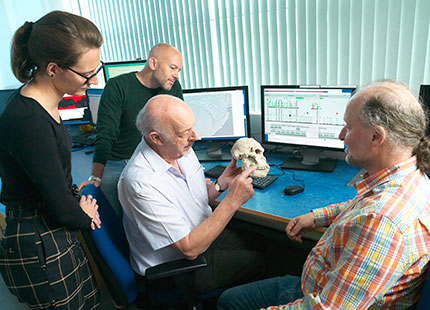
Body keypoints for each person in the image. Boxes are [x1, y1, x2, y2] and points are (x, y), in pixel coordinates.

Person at [217, 80, 430, 310]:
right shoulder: (408, 178)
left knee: (230, 303)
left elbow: (327, 309)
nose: (340, 135)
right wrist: (317, 216)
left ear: (376, 137)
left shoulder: (383, 222)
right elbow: (362, 205)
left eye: (347, 127)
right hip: (325, 285)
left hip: (319, 297)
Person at [0, 11, 103, 309]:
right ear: (53, 69)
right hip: (39, 242)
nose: (94, 80)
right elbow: (65, 213)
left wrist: (78, 205)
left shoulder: (45, 105)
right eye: (86, 73)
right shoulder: (29, 121)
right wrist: (81, 211)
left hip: (53, 231)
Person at [118, 94, 265, 297]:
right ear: (156, 138)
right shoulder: (141, 182)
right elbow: (189, 249)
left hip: (201, 234)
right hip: (176, 267)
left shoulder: (179, 150)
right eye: (185, 132)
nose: (196, 137)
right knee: (260, 262)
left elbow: (194, 199)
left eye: (192, 128)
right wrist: (232, 201)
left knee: (260, 242)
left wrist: (221, 184)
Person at [80, 43, 184, 216]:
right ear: (153, 63)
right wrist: (96, 177)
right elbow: (106, 135)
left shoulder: (173, 88)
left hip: (156, 161)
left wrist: (188, 174)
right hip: (120, 163)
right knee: (120, 220)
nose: (176, 75)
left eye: (179, 70)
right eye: (173, 68)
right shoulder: (118, 87)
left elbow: (179, 131)